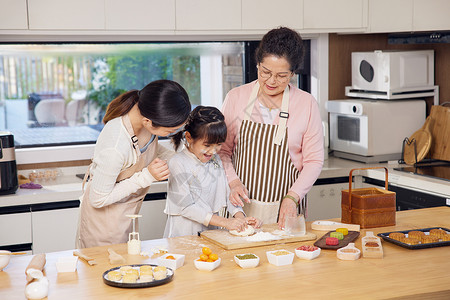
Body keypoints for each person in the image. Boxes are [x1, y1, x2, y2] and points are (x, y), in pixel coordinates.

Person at [219, 27, 324, 229]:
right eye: (265, 72)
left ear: (293, 73)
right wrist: (233, 182)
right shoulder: (236, 97)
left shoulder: (306, 103)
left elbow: (314, 160)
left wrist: (292, 198)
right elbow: (222, 151)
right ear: (257, 64)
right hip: (239, 209)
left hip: (285, 210)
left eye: (282, 76)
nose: (271, 81)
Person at [77, 79, 191, 248]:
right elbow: (98, 199)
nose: (171, 134)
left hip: (125, 214)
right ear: (148, 122)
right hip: (103, 225)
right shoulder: (115, 147)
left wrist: (185, 158)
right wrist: (147, 176)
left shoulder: (144, 116)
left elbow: (149, 149)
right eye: (169, 131)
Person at [164, 106, 260, 238]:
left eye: (219, 144)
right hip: (184, 232)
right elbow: (186, 208)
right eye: (207, 145)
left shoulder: (216, 159)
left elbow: (228, 195)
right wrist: (226, 222)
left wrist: (240, 218)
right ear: (189, 137)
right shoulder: (178, 162)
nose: (213, 151)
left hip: (210, 230)